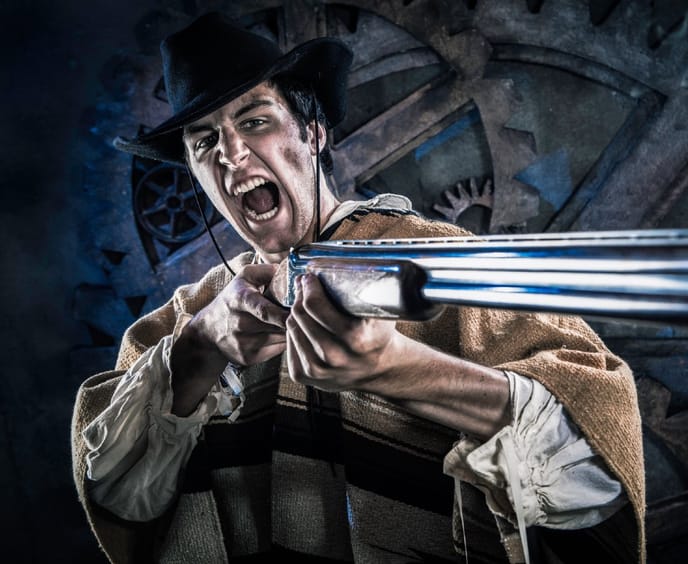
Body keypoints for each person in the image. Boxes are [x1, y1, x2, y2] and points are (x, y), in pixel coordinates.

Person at [71, 13, 646, 564]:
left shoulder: (446, 264)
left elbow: (598, 458)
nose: (231, 154)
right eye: (204, 142)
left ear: (314, 131)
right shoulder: (186, 319)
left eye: (255, 120)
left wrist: (397, 369)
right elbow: (118, 497)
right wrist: (199, 348)